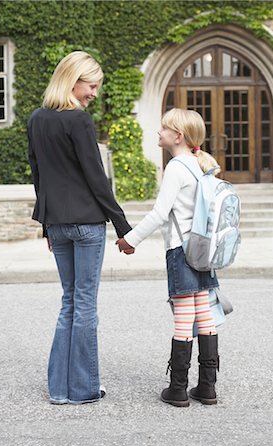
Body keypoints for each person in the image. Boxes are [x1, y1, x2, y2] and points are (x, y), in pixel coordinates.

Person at [28, 51, 133, 405]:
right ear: (73, 80)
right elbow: (96, 177)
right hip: (87, 224)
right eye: (91, 85)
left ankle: (59, 390)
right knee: (85, 303)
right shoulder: (79, 121)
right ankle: (85, 388)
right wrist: (122, 226)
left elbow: (38, 177)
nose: (93, 93)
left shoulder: (36, 120)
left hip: (57, 223)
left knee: (69, 302)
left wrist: (46, 225)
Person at [117, 108, 221, 407]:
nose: (158, 132)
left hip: (182, 250)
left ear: (178, 136)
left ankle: (177, 389)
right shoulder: (201, 164)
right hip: (205, 249)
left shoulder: (177, 167)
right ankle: (207, 387)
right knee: (205, 313)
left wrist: (130, 240)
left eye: (163, 128)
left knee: (185, 315)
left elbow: (160, 214)